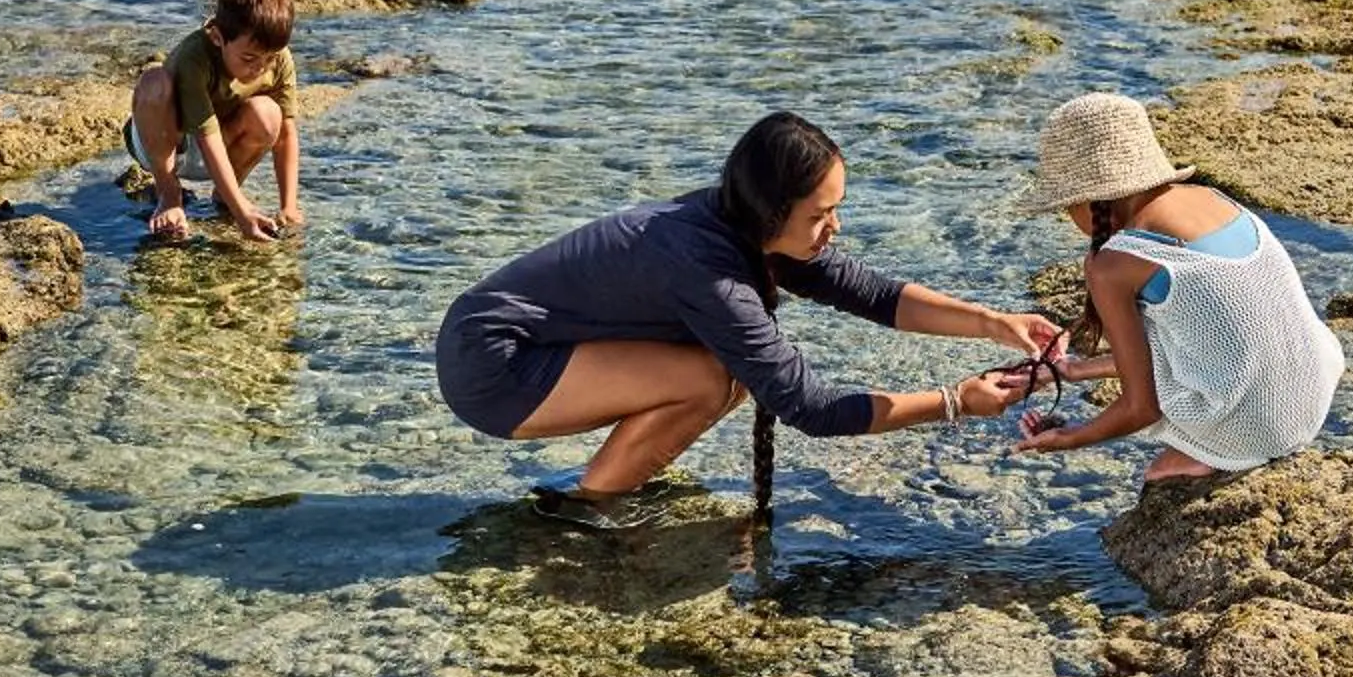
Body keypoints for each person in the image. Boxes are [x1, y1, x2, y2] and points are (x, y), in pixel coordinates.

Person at [434, 110, 1055, 527]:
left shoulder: (744, 225)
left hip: (512, 342)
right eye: (821, 215)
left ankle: (612, 489)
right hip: (494, 367)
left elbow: (869, 292)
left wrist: (995, 322)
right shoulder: (710, 272)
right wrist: (955, 401)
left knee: (723, 375)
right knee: (715, 379)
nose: (833, 229)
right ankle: (585, 512)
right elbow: (814, 411)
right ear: (770, 211)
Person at [1008, 92, 1341, 483]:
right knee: (1177, 319)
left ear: (1087, 198)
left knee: (1158, 474)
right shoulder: (1213, 199)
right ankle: (1230, 436)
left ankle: (1224, 451)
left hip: (1262, 428)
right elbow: (1201, 342)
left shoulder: (1112, 265)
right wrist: (1071, 371)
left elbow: (1141, 408)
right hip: (1311, 394)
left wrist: (1069, 437)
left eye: (1064, 205)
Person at [128, 0, 301, 242]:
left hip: (220, 141)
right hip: (165, 143)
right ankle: (169, 195)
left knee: (269, 114)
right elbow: (207, 138)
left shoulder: (278, 58)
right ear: (218, 37)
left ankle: (226, 197)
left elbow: (286, 136)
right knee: (154, 81)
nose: (260, 67)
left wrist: (288, 206)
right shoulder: (195, 57)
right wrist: (243, 213)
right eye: (249, 58)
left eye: (270, 58)